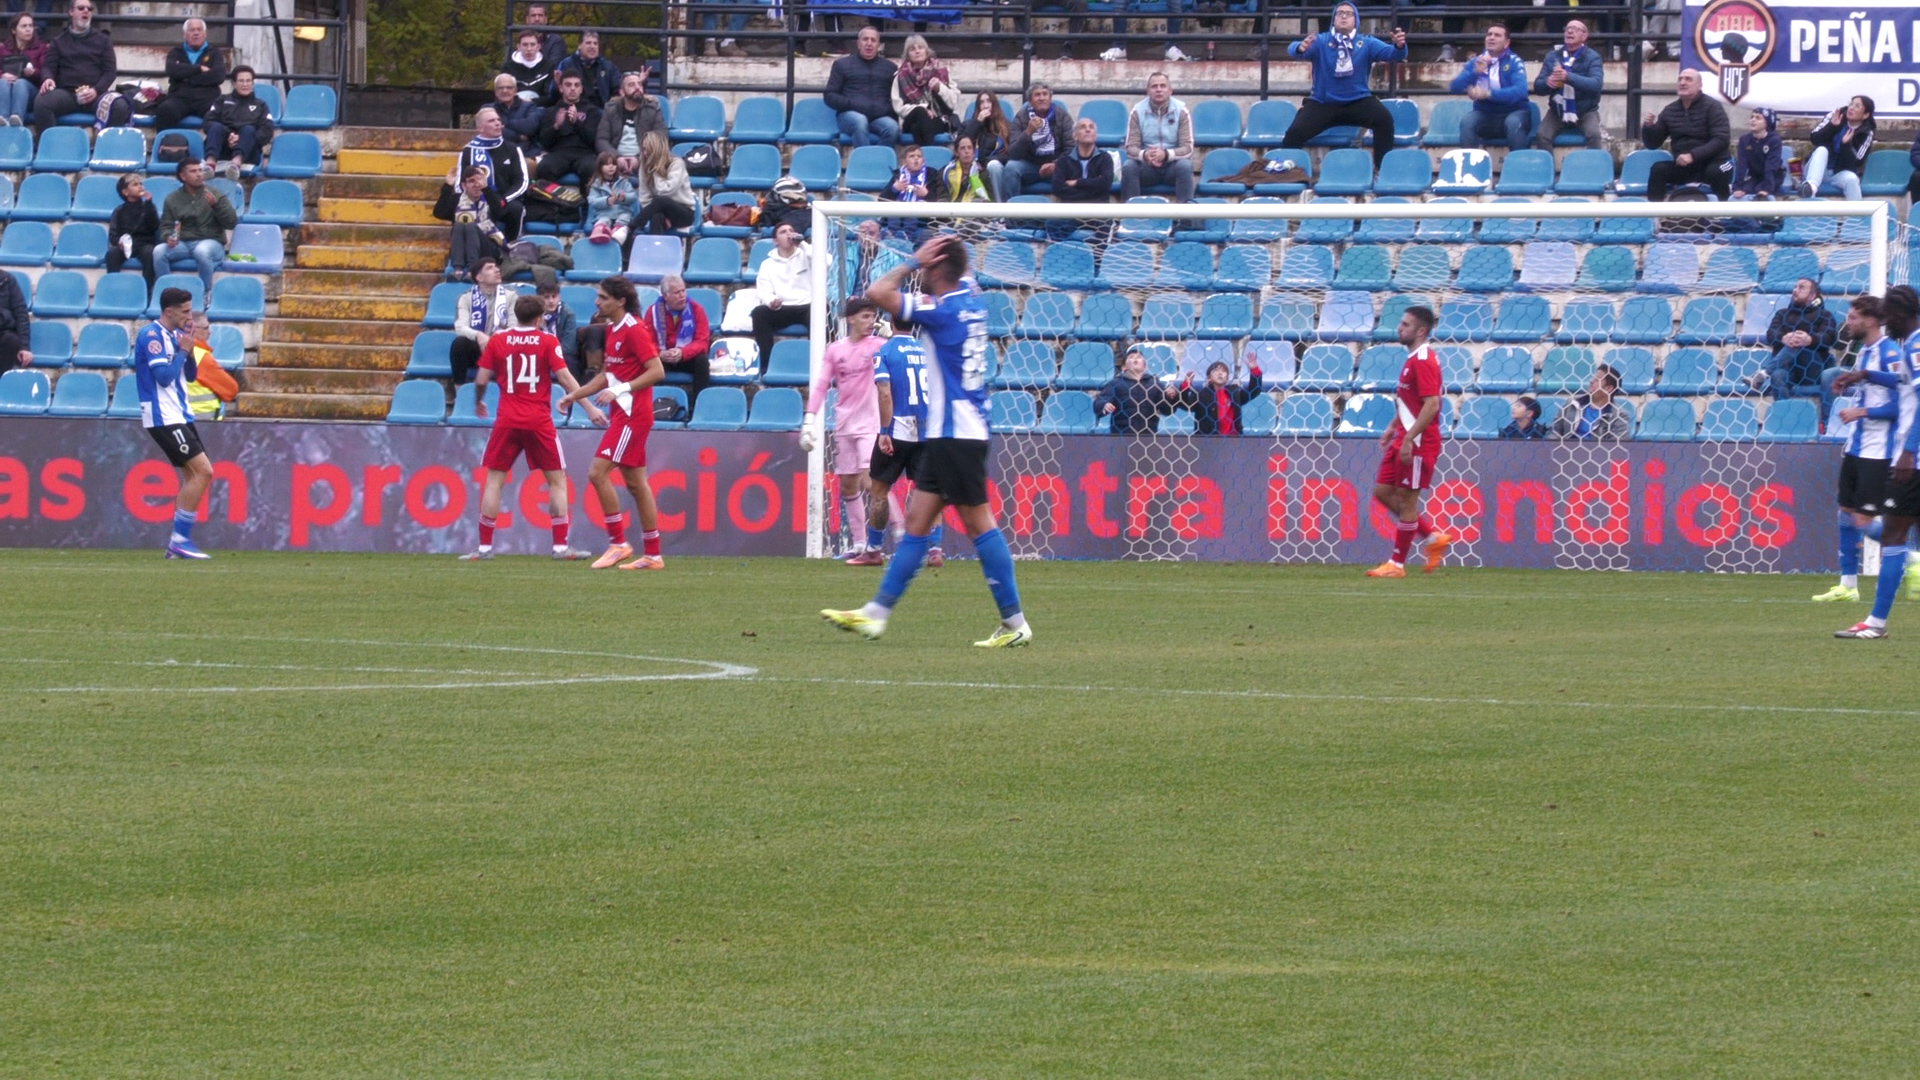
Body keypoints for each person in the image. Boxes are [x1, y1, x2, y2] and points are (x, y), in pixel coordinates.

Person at [822, 234, 1032, 648]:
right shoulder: (972, 297)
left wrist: (913, 261)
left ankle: (1015, 624)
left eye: (928, 270)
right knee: (916, 524)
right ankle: (876, 614)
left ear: (936, 270)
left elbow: (877, 292)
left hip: (957, 433)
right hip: (950, 433)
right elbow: (961, 270)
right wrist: (946, 253)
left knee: (980, 525)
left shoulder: (941, 310)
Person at [460, 295, 603, 561]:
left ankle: (484, 548)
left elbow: (481, 378)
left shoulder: (498, 340)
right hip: (538, 420)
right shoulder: (548, 341)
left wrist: (479, 401)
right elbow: (565, 377)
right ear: (539, 318)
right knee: (556, 481)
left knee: (494, 481)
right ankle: (560, 547)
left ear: (516, 314)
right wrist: (589, 407)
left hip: (506, 419)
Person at [558, 275, 668, 571]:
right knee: (636, 484)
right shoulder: (612, 330)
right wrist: (575, 395)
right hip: (623, 414)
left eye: (603, 297)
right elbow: (608, 374)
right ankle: (653, 555)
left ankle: (618, 543)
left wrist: (620, 390)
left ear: (620, 301)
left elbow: (657, 371)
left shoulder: (634, 330)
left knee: (597, 473)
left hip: (633, 415)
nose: (597, 302)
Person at [1833, 286, 1920, 638]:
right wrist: (1865, 375)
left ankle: (1875, 623)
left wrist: (1909, 451)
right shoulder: (1912, 345)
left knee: (1893, 535)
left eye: (1888, 316)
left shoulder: (1914, 345)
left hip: (1912, 461)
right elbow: (1903, 382)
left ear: (1899, 314)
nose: (1885, 323)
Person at [1814, 296, 1902, 604]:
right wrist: (1849, 388)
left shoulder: (1890, 353)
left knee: (1863, 521)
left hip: (1877, 452)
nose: (1847, 323)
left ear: (1871, 320)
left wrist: (1861, 412)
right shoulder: (1864, 351)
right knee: (1845, 515)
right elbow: (1872, 393)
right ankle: (1848, 584)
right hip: (1856, 446)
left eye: (1853, 318)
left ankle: (1912, 560)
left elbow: (1902, 405)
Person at [848, 319, 945, 567]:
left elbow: (884, 392)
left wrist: (884, 431)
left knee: (879, 490)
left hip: (897, 431)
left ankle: (874, 550)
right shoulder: (927, 351)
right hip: (927, 430)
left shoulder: (885, 352)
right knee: (929, 491)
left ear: (891, 322)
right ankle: (935, 550)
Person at [1365, 305, 1452, 578]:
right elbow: (1411, 400)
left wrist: (1410, 438)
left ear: (1421, 331)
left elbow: (1431, 404)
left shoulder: (1423, 360)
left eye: (1405, 325)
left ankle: (1397, 565)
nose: (1399, 328)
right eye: (1401, 323)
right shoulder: (1413, 358)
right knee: (1382, 492)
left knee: (1407, 500)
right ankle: (1433, 538)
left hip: (1418, 442)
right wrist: (1393, 426)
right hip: (1404, 436)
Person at [802, 297, 888, 559]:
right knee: (848, 486)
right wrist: (809, 417)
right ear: (851, 319)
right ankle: (859, 544)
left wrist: (892, 338)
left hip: (870, 425)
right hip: (844, 425)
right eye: (865, 316)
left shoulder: (878, 345)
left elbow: (898, 359)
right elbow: (821, 384)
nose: (870, 322)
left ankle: (896, 535)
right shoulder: (835, 350)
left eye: (872, 316)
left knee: (873, 483)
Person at [134, 287, 212, 559]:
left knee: (193, 476)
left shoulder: (178, 336)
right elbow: (164, 377)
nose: (190, 317)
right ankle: (179, 540)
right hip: (162, 416)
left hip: (180, 413)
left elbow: (190, 376)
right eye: (185, 311)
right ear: (169, 311)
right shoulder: (150, 336)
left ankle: (178, 545)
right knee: (204, 471)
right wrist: (182, 351)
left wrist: (189, 352)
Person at [1281, 2, 1405, 169]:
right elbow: (1293, 50)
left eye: (1349, 13)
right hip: (1323, 103)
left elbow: (1393, 54)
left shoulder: (1366, 43)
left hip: (1358, 101)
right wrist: (1299, 48)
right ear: (1333, 19)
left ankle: (1381, 169)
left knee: (1384, 120)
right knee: (1294, 133)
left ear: (1356, 20)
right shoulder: (1321, 41)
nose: (1344, 16)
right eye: (1340, 13)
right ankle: (1285, 170)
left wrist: (1399, 46)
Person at [1641, 68, 1731, 202]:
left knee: (1716, 172)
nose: (1682, 82)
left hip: (1715, 162)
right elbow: (1653, 144)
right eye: (1680, 79)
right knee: (1658, 169)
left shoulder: (1713, 107)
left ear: (1699, 85)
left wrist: (1693, 155)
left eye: (1688, 79)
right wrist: (1648, 128)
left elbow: (1721, 139)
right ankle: (1654, 212)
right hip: (1685, 166)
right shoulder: (1670, 110)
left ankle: (1725, 211)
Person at [35, 0, 127, 129]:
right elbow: (48, 67)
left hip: (96, 94)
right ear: (71, 12)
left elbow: (110, 72)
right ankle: (49, 141)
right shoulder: (58, 42)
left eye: (89, 9)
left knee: (120, 105)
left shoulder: (103, 40)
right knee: (42, 102)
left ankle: (105, 142)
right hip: (67, 94)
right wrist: (47, 78)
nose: (86, 11)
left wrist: (96, 90)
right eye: (81, 8)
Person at [1748, 277, 1838, 400]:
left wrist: (1809, 340)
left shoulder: (1825, 315)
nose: (1795, 290)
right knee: (1777, 376)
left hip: (1811, 369)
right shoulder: (1781, 314)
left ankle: (1764, 373)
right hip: (1786, 368)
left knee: (1798, 341)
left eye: (1801, 288)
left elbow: (1829, 337)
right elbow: (1771, 334)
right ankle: (1784, 410)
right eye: (1795, 287)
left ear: (1812, 295)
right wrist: (1783, 338)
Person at [155, 159, 236, 291]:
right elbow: (165, 226)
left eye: (200, 170)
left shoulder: (214, 194)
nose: (199, 174)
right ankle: (167, 292)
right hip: (183, 244)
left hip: (211, 242)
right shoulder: (172, 199)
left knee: (201, 251)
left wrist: (216, 206)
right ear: (183, 176)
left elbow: (231, 222)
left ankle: (205, 293)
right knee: (158, 252)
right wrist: (167, 236)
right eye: (193, 171)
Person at [1450, 24, 1528, 151]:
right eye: (1489, 34)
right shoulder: (1477, 61)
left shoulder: (1514, 61)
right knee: (1467, 121)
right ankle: (1470, 162)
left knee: (1513, 123)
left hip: (1514, 112)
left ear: (1507, 43)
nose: (1491, 38)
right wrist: (1475, 72)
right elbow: (1454, 87)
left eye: (1497, 35)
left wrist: (1488, 94)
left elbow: (1521, 91)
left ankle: (1519, 162)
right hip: (1485, 114)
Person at [1122, 71, 1195, 203]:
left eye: (1163, 86)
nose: (1159, 90)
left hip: (1172, 166)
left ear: (1170, 90)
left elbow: (1187, 148)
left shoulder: (1182, 111)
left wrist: (1165, 154)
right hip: (1147, 167)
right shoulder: (1137, 111)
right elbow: (1130, 147)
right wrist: (1145, 155)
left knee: (1185, 166)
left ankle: (1186, 215)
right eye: (1154, 86)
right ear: (1148, 91)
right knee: (1129, 166)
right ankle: (1131, 214)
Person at [460, 105, 530, 240]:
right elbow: (460, 183)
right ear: (480, 128)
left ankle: (512, 246)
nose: (497, 123)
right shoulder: (468, 151)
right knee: (476, 210)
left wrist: (504, 199)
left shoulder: (512, 149)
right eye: (491, 121)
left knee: (516, 209)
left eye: (498, 120)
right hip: (478, 198)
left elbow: (522, 182)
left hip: (504, 199)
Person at [1532, 18, 1602, 150]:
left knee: (1594, 135)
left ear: (1584, 36)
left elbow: (1596, 84)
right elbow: (1538, 87)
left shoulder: (1593, 57)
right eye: (1567, 29)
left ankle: (1595, 163)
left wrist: (1568, 77)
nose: (1569, 31)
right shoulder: (1552, 56)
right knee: (1542, 135)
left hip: (1586, 111)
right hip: (1557, 111)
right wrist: (1547, 82)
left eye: (1575, 29)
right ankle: (1548, 164)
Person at [994, 82, 1071, 202]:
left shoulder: (1062, 116)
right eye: (1037, 95)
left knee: (1076, 168)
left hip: (1056, 166)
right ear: (1030, 101)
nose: (1042, 98)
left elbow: (1071, 148)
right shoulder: (1021, 117)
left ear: (1050, 98)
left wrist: (1056, 164)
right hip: (1030, 165)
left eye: (1045, 94)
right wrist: (1028, 133)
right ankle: (1011, 211)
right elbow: (1013, 153)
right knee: (1011, 168)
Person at [824, 26, 898, 147]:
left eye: (873, 40)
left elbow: (897, 95)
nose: (869, 44)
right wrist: (850, 103)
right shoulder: (841, 65)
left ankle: (880, 157)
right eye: (865, 39)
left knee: (893, 128)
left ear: (879, 45)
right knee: (860, 121)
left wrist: (887, 109)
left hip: (879, 117)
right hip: (850, 116)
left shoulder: (890, 68)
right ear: (858, 44)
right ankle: (864, 158)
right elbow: (829, 95)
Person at [645, 274, 711, 409]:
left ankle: (699, 408)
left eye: (683, 291)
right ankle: (646, 406)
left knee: (702, 361)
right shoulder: (652, 312)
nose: (682, 296)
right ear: (665, 296)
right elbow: (646, 342)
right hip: (662, 357)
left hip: (686, 357)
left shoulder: (697, 310)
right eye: (677, 293)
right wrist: (660, 353)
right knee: (644, 362)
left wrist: (682, 352)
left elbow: (702, 342)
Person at [750, 221, 811, 365]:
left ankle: (823, 361)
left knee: (822, 310)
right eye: (783, 232)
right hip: (782, 308)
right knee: (759, 313)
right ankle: (767, 364)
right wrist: (771, 301)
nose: (789, 234)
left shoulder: (807, 254)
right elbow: (764, 290)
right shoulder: (767, 264)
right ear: (775, 241)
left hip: (807, 305)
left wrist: (802, 244)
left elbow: (826, 262)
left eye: (791, 230)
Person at [448, 257, 515, 384]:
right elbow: (460, 327)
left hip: (502, 346)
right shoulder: (466, 298)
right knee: (459, 343)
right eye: (490, 268)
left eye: (496, 267)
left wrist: (496, 338)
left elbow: (514, 326)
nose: (497, 270)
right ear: (479, 277)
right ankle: (459, 389)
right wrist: (478, 335)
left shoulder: (511, 296)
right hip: (478, 348)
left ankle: (510, 390)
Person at [435, 165, 508, 279]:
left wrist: (486, 189)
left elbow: (501, 213)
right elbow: (438, 213)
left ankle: (471, 271)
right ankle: (458, 270)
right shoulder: (457, 200)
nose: (476, 184)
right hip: (463, 250)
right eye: (471, 181)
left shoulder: (490, 197)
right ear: (464, 185)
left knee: (470, 226)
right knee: (459, 225)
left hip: (487, 249)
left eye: (479, 179)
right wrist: (448, 186)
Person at [201, 65, 273, 180]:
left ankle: (235, 165)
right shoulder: (222, 100)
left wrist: (240, 139)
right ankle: (210, 166)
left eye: (248, 81)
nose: (245, 84)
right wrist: (229, 135)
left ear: (252, 83)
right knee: (215, 127)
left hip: (248, 151)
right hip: (223, 147)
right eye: (241, 81)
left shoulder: (261, 105)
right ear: (234, 83)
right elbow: (208, 121)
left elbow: (267, 131)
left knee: (249, 129)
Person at [154, 16, 225, 132]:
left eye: (199, 30)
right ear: (185, 35)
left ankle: (214, 144)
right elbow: (172, 70)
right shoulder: (175, 52)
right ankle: (166, 142)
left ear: (205, 34)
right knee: (165, 110)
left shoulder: (215, 53)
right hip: (179, 99)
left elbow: (218, 76)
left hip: (206, 99)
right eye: (192, 30)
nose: (196, 33)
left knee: (220, 112)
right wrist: (198, 69)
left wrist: (187, 77)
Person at [1800, 96, 1876, 200]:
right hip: (1816, 170)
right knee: (1822, 150)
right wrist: (1832, 126)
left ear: (1865, 115)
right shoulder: (1835, 115)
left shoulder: (1866, 132)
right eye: (1851, 104)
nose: (1851, 108)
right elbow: (1814, 138)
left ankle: (1856, 210)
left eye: (1857, 106)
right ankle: (1810, 188)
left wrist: (1846, 145)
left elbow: (1857, 162)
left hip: (1838, 174)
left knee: (1852, 179)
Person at [1051, 117, 1114, 241]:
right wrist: (1093, 187)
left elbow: (1105, 184)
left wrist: (1077, 182)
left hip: (1097, 210)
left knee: (1106, 224)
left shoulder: (1105, 158)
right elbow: (1057, 188)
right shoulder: (1064, 159)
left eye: (1091, 127)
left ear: (1095, 135)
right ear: (1075, 136)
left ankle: (1100, 254)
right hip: (1071, 211)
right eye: (1083, 127)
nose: (1088, 130)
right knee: (1053, 223)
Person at [891, 34, 959, 148]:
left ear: (927, 52)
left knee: (918, 128)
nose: (917, 51)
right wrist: (923, 108)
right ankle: (930, 155)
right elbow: (899, 108)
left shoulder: (941, 71)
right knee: (920, 113)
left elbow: (953, 103)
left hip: (938, 119)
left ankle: (923, 154)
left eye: (920, 47)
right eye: (912, 49)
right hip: (911, 119)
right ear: (907, 55)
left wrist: (940, 88)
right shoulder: (900, 76)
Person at [594, 69, 666, 176]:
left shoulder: (652, 108)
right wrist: (616, 158)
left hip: (646, 160)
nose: (637, 87)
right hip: (614, 162)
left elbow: (661, 138)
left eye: (639, 84)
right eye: (631, 85)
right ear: (622, 92)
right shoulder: (611, 109)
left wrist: (639, 159)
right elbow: (601, 140)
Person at [533, 70, 600, 186]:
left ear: (581, 89)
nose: (573, 89)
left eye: (576, 85)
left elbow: (593, 140)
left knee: (591, 168)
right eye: (568, 85)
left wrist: (577, 123)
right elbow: (544, 142)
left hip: (584, 153)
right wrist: (556, 126)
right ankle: (554, 198)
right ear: (561, 88)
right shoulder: (551, 111)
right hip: (559, 153)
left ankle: (586, 198)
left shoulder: (592, 111)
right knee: (545, 168)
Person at [1093, 345, 1176, 433]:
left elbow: (1167, 410)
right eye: (1131, 357)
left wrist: (1169, 397)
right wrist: (1104, 405)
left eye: (1139, 357)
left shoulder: (1155, 384)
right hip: (1121, 435)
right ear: (1124, 367)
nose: (1135, 359)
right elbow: (1100, 402)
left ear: (1145, 366)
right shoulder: (1115, 384)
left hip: (1148, 435)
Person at [1176, 358, 1263, 434]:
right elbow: (1185, 405)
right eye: (1216, 371)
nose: (1220, 373)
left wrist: (1254, 370)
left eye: (1223, 371)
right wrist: (1185, 385)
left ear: (1227, 378)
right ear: (1209, 378)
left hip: (1234, 440)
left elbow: (1254, 391)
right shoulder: (1201, 394)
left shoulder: (1235, 393)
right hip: (1208, 440)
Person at [1548, 363, 1631, 440]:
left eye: (1597, 380)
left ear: (1608, 388)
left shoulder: (1619, 416)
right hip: (1566, 449)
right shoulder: (1572, 404)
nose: (1591, 381)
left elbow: (1618, 444)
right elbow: (1554, 430)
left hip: (1598, 451)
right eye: (1592, 378)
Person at [635, 130, 695, 235]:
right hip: (658, 209)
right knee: (656, 217)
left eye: (647, 149)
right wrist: (660, 213)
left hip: (684, 212)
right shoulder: (644, 167)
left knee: (661, 200)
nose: (644, 153)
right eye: (643, 149)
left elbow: (665, 191)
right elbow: (644, 199)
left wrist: (655, 170)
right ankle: (656, 245)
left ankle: (632, 226)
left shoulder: (677, 164)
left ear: (656, 150)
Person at [105, 172, 158, 286]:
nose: (140, 186)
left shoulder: (148, 207)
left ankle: (147, 288)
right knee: (112, 254)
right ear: (125, 192)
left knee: (150, 253)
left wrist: (149, 204)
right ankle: (112, 286)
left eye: (140, 184)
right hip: (125, 246)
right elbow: (113, 235)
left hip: (144, 245)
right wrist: (119, 242)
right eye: (135, 184)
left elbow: (154, 226)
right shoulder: (119, 211)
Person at [0, 12, 46, 127]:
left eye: (31, 26)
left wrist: (33, 73)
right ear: (14, 30)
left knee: (20, 83)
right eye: (24, 26)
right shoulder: (3, 48)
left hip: (30, 92)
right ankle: (2, 119)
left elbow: (45, 72)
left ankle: (17, 119)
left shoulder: (41, 48)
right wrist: (2, 75)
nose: (28, 29)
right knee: (2, 83)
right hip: (6, 90)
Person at [556, 30, 619, 111]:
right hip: (574, 109)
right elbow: (553, 95)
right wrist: (556, 85)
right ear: (579, 45)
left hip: (603, 110)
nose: (592, 46)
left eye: (595, 43)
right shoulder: (566, 64)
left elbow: (618, 88)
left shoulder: (607, 66)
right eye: (588, 43)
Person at [1730, 107, 1785, 200]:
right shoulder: (1744, 140)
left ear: (1767, 123)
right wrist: (1737, 187)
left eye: (1758, 118)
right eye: (1752, 117)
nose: (1753, 120)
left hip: (1773, 177)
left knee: (1760, 195)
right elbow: (1741, 165)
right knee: (1744, 191)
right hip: (1754, 177)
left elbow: (1771, 167)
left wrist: (1767, 189)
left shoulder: (1774, 140)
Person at [584, 151, 635, 246]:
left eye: (613, 164)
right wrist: (606, 201)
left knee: (625, 218)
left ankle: (617, 231)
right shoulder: (596, 185)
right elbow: (592, 201)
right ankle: (599, 230)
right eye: (607, 164)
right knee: (603, 220)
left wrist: (624, 198)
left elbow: (633, 197)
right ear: (600, 167)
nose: (611, 167)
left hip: (622, 211)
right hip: (604, 213)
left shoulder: (623, 182)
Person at [487, 72, 544, 153]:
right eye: (500, 88)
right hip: (496, 153)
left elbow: (530, 128)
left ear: (515, 90)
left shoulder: (529, 106)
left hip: (526, 153)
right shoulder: (488, 109)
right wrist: (518, 137)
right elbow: (489, 131)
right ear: (495, 91)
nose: (505, 90)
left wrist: (506, 124)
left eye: (509, 87)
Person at [502, 27, 554, 107]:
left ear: (538, 47)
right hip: (513, 107)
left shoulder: (549, 66)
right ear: (518, 47)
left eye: (532, 45)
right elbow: (503, 93)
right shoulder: (508, 68)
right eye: (525, 45)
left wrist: (532, 101)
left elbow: (550, 96)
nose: (529, 49)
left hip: (540, 108)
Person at [536, 279, 577, 378]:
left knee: (570, 362)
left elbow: (568, 347)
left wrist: (549, 355)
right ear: (539, 298)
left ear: (559, 297)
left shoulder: (568, 314)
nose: (551, 301)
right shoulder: (534, 313)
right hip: (539, 353)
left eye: (554, 296)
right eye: (546, 297)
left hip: (561, 354)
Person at [961, 90, 1011, 169]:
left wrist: (985, 162)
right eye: (982, 102)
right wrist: (977, 123)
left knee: (993, 165)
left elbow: (1010, 153)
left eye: (988, 101)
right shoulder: (967, 125)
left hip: (994, 167)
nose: (985, 106)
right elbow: (961, 146)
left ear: (994, 104)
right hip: (971, 167)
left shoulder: (1006, 126)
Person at [942, 133, 991, 203]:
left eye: (969, 148)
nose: (967, 151)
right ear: (956, 152)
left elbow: (990, 199)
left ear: (973, 153)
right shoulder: (946, 172)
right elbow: (942, 197)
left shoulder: (982, 173)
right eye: (962, 148)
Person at [0, 263, 26, 367]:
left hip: (3, 332)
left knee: (11, 340)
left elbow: (20, 313)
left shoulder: (7, 280)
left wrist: (24, 347)